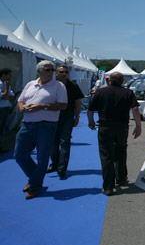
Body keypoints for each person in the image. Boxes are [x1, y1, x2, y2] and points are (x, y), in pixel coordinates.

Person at [15, 60, 67, 200]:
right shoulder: (30, 84)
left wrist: (42, 106)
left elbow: (63, 105)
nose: (51, 72)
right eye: (47, 69)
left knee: (42, 157)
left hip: (46, 126)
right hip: (27, 124)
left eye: (52, 69)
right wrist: (21, 107)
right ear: (39, 71)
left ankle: (35, 186)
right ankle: (34, 179)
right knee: (19, 155)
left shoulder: (58, 86)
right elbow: (20, 101)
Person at [87, 72, 142, 196]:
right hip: (122, 127)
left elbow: (90, 110)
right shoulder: (128, 92)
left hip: (105, 126)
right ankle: (121, 178)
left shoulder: (101, 92)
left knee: (106, 155)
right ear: (122, 81)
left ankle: (108, 186)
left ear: (109, 80)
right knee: (121, 151)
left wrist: (91, 121)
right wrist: (138, 126)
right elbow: (135, 109)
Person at [47, 65, 84, 179]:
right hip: (52, 115)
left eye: (66, 72)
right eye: (61, 72)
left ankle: (62, 168)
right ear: (56, 73)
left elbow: (77, 102)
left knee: (65, 141)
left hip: (66, 116)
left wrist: (77, 117)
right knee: (53, 141)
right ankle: (54, 164)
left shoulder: (73, 86)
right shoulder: (50, 85)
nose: (64, 74)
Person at [0, 68, 14, 136]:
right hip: (1, 108)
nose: (10, 78)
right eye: (9, 75)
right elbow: (3, 97)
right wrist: (7, 87)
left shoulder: (6, 84)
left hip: (6, 107)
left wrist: (5, 96)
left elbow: (11, 96)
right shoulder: (3, 85)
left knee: (3, 126)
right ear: (3, 75)